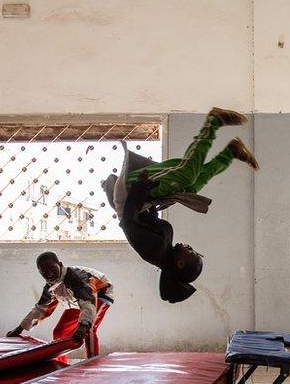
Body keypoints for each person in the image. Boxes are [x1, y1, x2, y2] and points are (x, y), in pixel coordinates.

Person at [103, 107, 259, 303]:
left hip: (131, 192)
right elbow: (146, 221)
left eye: (192, 252)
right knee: (191, 188)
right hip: (143, 198)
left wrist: (142, 188)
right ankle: (231, 153)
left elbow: (128, 222)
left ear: (181, 262)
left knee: (186, 173)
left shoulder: (155, 250)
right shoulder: (163, 253)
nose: (189, 247)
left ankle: (214, 121)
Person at [7, 252, 113, 364]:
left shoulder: (76, 279)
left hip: (100, 292)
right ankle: (60, 363)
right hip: (77, 301)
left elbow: (87, 303)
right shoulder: (51, 287)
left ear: (60, 264)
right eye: (44, 271)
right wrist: (20, 328)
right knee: (59, 332)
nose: (49, 274)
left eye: (52, 268)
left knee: (88, 329)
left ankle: (93, 363)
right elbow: (41, 309)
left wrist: (82, 326)